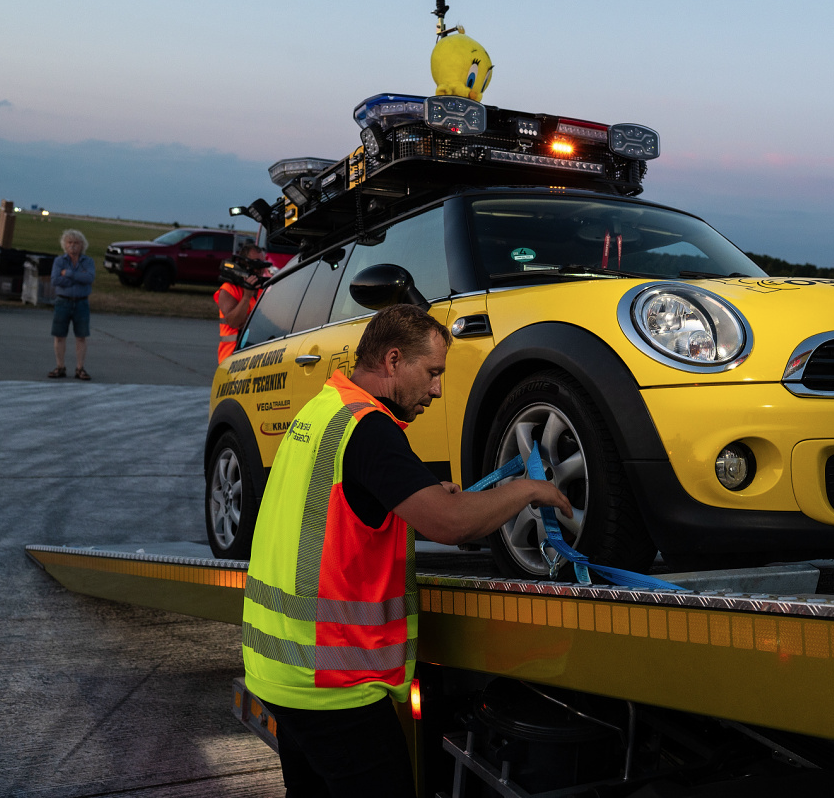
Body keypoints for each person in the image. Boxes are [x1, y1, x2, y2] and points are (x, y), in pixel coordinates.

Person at [241, 304, 572, 797]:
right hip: (333, 686)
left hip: (283, 672)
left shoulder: (325, 410)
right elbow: (447, 523)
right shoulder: (370, 431)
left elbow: (345, 505)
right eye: (433, 372)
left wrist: (415, 492)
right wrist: (526, 490)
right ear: (393, 361)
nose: (437, 390)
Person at [48, 229, 95, 380]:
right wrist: (77, 278)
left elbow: (89, 278)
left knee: (81, 336)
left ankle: (80, 368)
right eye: (70, 243)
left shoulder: (88, 261)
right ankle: (60, 366)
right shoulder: (59, 261)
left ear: (82, 245)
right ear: (65, 245)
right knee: (59, 336)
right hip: (63, 302)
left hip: (81, 303)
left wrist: (69, 274)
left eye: (76, 243)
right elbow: (55, 280)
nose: (73, 246)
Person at [215, 242, 268, 362]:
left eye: (262, 264)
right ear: (244, 264)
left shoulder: (262, 291)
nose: (260, 269)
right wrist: (246, 297)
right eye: (256, 264)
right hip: (231, 359)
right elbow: (234, 322)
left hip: (254, 358)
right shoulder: (229, 289)